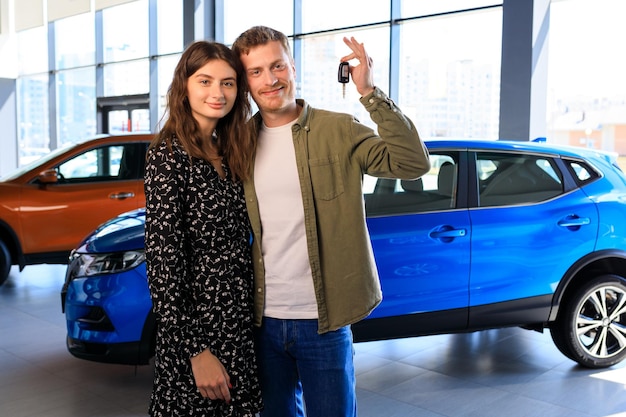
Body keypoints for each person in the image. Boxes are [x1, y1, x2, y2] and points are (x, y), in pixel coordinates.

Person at [231, 26, 431, 417]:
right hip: (261, 321)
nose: (270, 80)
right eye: (256, 72)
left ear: (292, 66)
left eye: (277, 66)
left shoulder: (337, 130)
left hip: (323, 321)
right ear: (246, 83)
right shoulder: (240, 141)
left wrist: (370, 94)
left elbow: (413, 163)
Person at [144, 40, 262, 417]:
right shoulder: (168, 154)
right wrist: (196, 351)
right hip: (198, 334)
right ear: (185, 86)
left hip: (238, 326)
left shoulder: (228, 150)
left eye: (228, 83)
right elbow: (163, 266)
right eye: (205, 81)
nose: (218, 92)